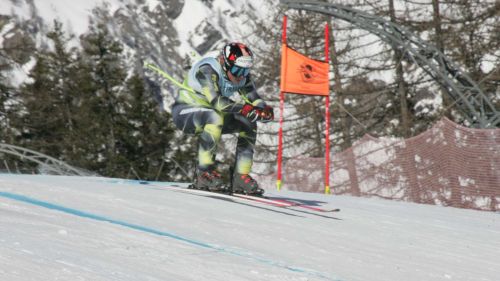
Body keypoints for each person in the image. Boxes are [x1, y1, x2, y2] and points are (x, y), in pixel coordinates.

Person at [171, 42, 273, 195]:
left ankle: (240, 175)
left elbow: (254, 98)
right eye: (237, 70)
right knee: (215, 115)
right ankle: (203, 173)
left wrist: (263, 110)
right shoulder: (207, 70)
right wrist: (246, 108)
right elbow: (218, 103)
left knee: (248, 122)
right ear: (225, 64)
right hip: (185, 112)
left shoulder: (241, 75)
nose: (240, 76)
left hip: (211, 113)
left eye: (245, 71)